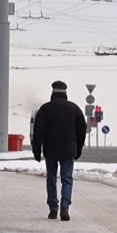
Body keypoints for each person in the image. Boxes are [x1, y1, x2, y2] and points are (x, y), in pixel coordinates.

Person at [32, 80, 87, 221]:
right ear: (65, 93)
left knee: (51, 178)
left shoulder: (45, 109)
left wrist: (36, 150)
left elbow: (38, 131)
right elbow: (82, 130)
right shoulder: (74, 108)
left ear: (52, 92)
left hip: (50, 149)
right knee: (67, 179)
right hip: (69, 150)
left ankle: (53, 208)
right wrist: (78, 148)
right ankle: (65, 206)